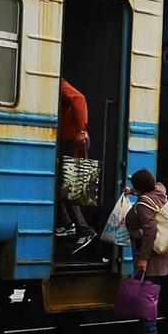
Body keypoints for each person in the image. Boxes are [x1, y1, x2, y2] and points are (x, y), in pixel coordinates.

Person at [124, 169, 168, 334]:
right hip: (165, 248)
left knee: (148, 293)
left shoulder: (144, 205)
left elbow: (150, 230)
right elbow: (152, 189)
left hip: (153, 253)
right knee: (149, 291)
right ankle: (146, 332)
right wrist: (133, 193)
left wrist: (143, 258)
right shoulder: (159, 190)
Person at [58, 80, 95, 251]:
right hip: (68, 139)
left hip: (71, 140)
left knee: (69, 186)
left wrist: (81, 130)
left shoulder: (60, 84)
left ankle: (83, 228)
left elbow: (79, 98)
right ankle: (70, 224)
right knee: (63, 185)